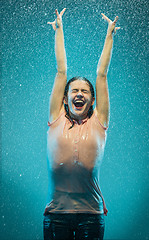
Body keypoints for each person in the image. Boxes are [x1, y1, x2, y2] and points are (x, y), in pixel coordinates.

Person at [43, 8, 120, 240]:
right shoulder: (56, 117)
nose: (79, 94)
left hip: (91, 215)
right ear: (65, 98)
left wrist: (109, 35)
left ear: (92, 99)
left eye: (84, 91)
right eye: (74, 90)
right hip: (57, 214)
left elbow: (102, 74)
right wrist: (59, 31)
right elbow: (61, 71)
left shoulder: (99, 121)